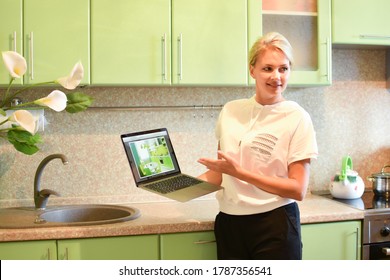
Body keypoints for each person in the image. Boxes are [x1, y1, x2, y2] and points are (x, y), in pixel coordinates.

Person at [197, 32, 318, 260]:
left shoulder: (297, 117)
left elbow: (297, 189)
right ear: (252, 70)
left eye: (283, 69)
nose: (277, 77)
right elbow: (220, 173)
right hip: (229, 223)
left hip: (275, 225)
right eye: (268, 68)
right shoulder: (231, 110)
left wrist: (240, 173)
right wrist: (178, 187)